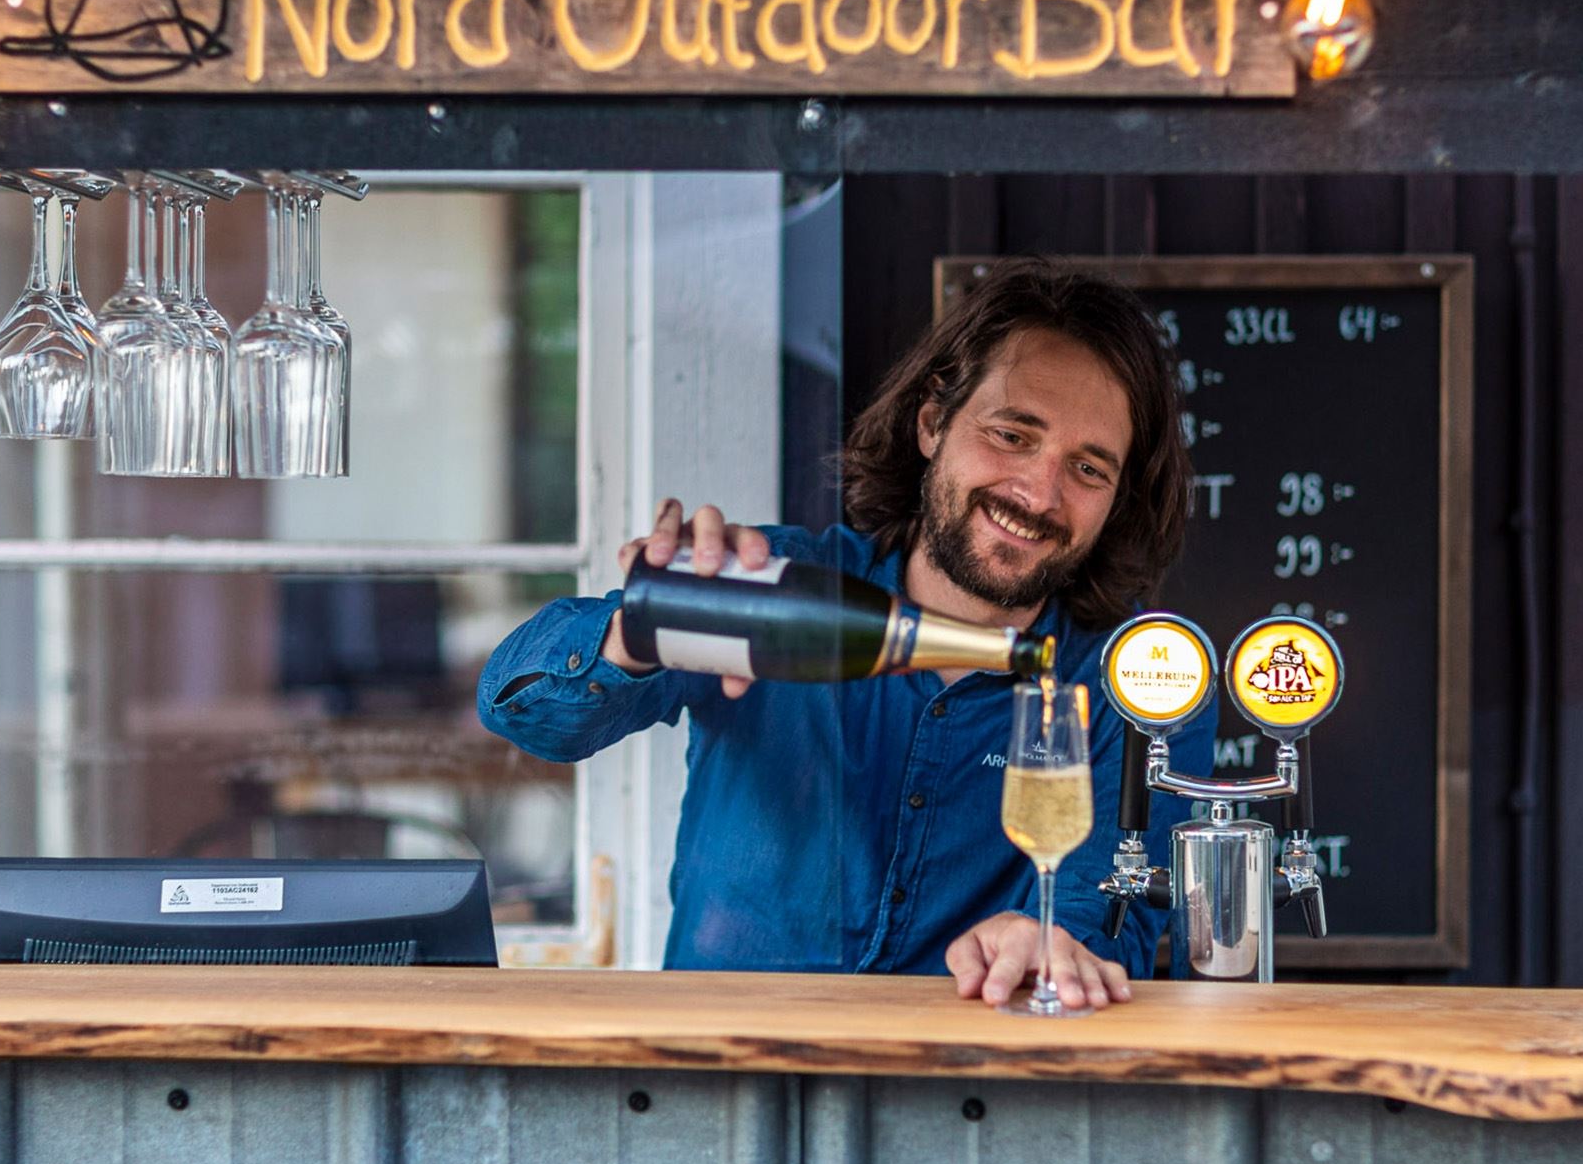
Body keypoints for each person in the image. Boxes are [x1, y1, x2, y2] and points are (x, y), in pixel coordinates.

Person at [477, 258, 1214, 1008]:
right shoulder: (767, 586)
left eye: (1088, 469)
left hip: (962, 1074)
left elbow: (1113, 914)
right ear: (933, 422)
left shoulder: (1143, 676)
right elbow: (523, 714)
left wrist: (1050, 941)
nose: (1039, 492)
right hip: (727, 1064)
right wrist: (636, 631)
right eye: (1012, 434)